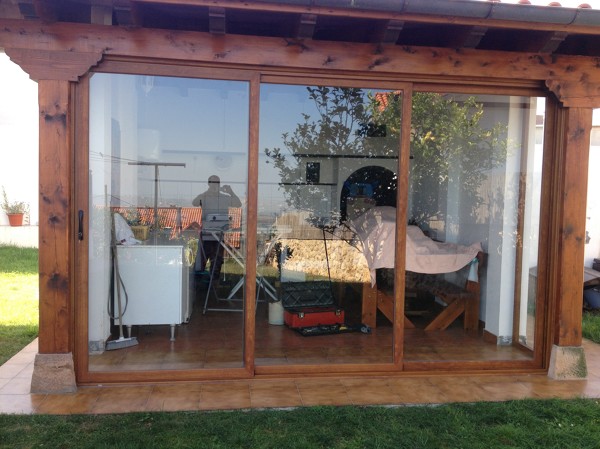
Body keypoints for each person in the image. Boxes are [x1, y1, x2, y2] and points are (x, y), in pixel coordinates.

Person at [193, 175, 241, 282]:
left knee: (217, 263)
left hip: (219, 236)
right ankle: (197, 286)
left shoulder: (224, 198)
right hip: (206, 235)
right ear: (209, 184)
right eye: (213, 183)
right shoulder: (204, 196)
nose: (215, 185)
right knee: (200, 263)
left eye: (217, 183)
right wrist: (207, 193)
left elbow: (238, 204)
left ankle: (213, 286)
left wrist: (230, 192)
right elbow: (194, 202)